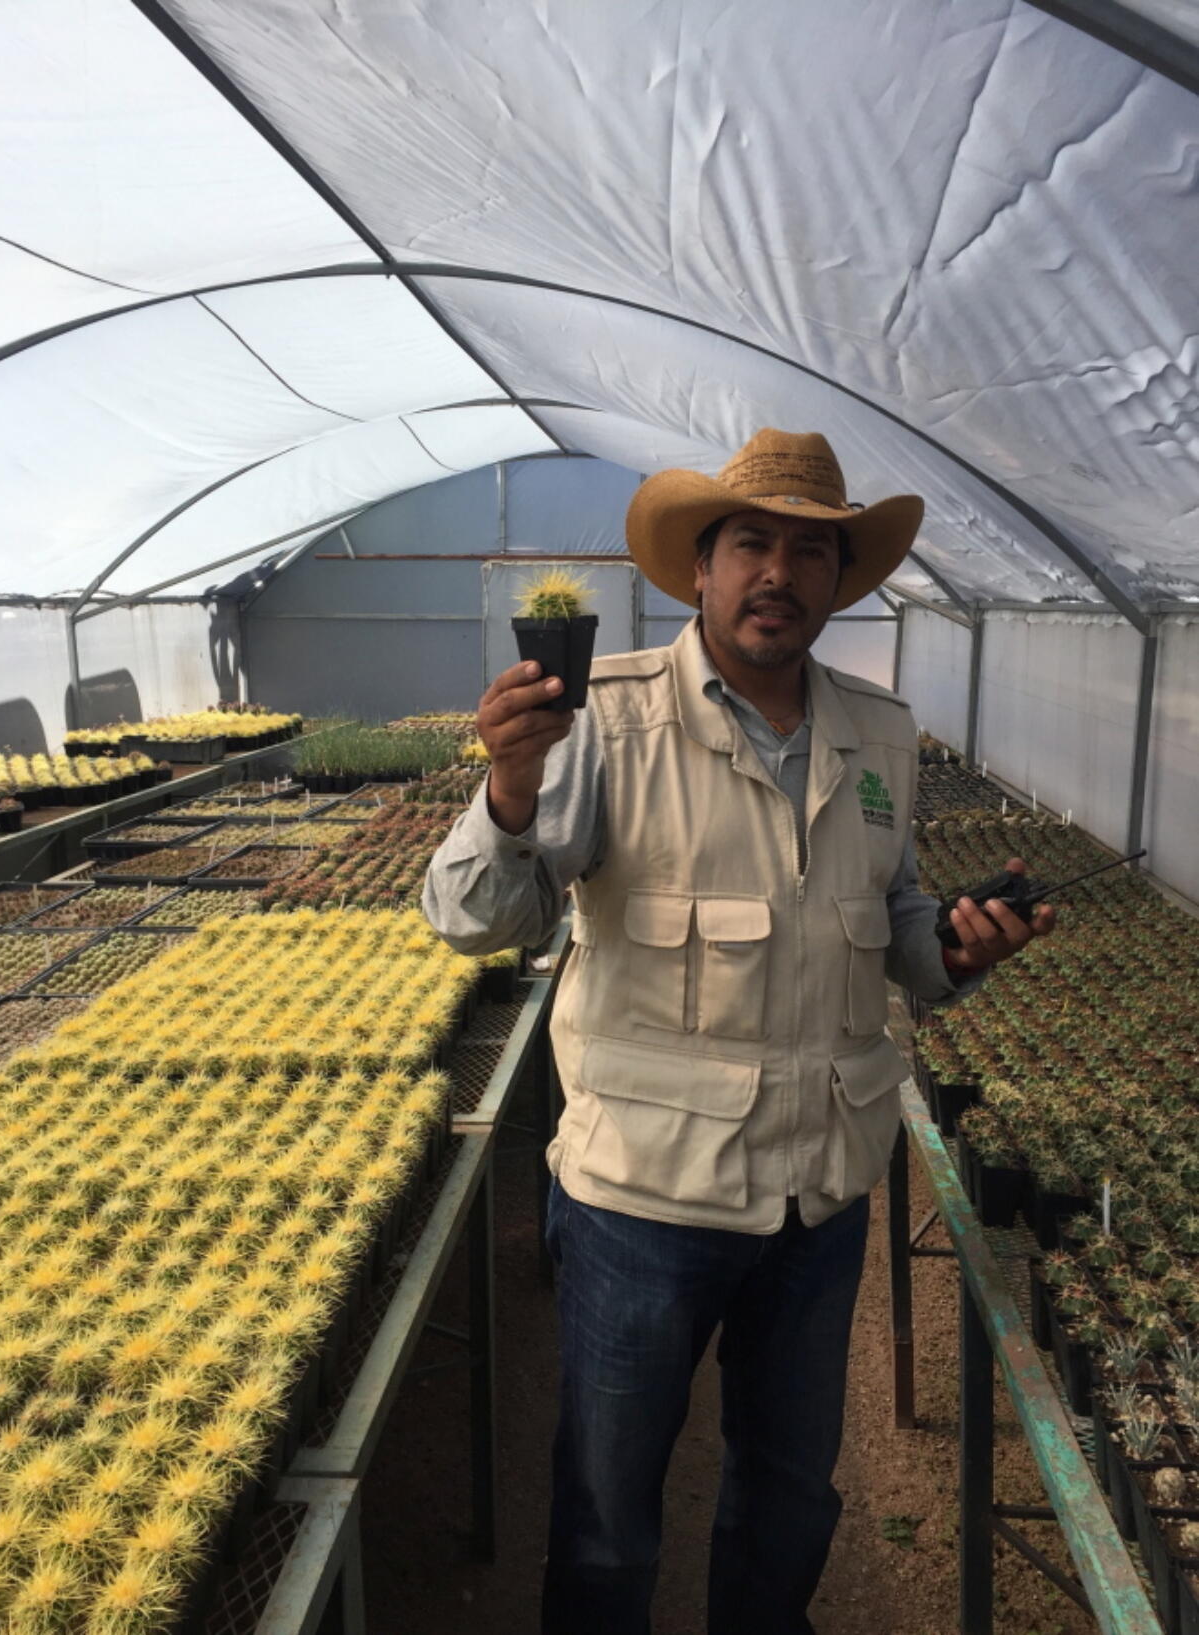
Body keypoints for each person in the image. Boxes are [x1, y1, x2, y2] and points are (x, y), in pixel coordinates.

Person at [423, 428, 1056, 1635]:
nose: (777, 572)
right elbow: (471, 919)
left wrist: (957, 950)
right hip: (641, 1200)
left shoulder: (877, 734)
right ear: (699, 572)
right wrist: (506, 793)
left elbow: (898, 925)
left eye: (808, 552)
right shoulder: (601, 719)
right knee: (608, 1514)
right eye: (750, 544)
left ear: (836, 580)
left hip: (818, 1196)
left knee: (786, 1495)